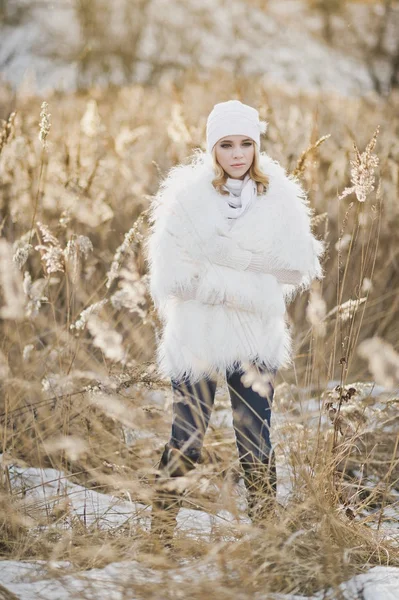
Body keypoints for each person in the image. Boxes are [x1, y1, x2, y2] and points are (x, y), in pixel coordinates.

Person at [144, 100, 325, 546]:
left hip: (252, 339)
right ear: (212, 149)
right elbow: (170, 277)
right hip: (198, 337)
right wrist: (225, 289)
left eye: (246, 143)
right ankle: (160, 537)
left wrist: (238, 259)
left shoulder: (279, 198)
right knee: (187, 439)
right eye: (226, 144)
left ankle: (266, 541)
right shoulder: (186, 200)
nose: (238, 154)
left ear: (257, 147)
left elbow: (297, 267)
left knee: (256, 442)